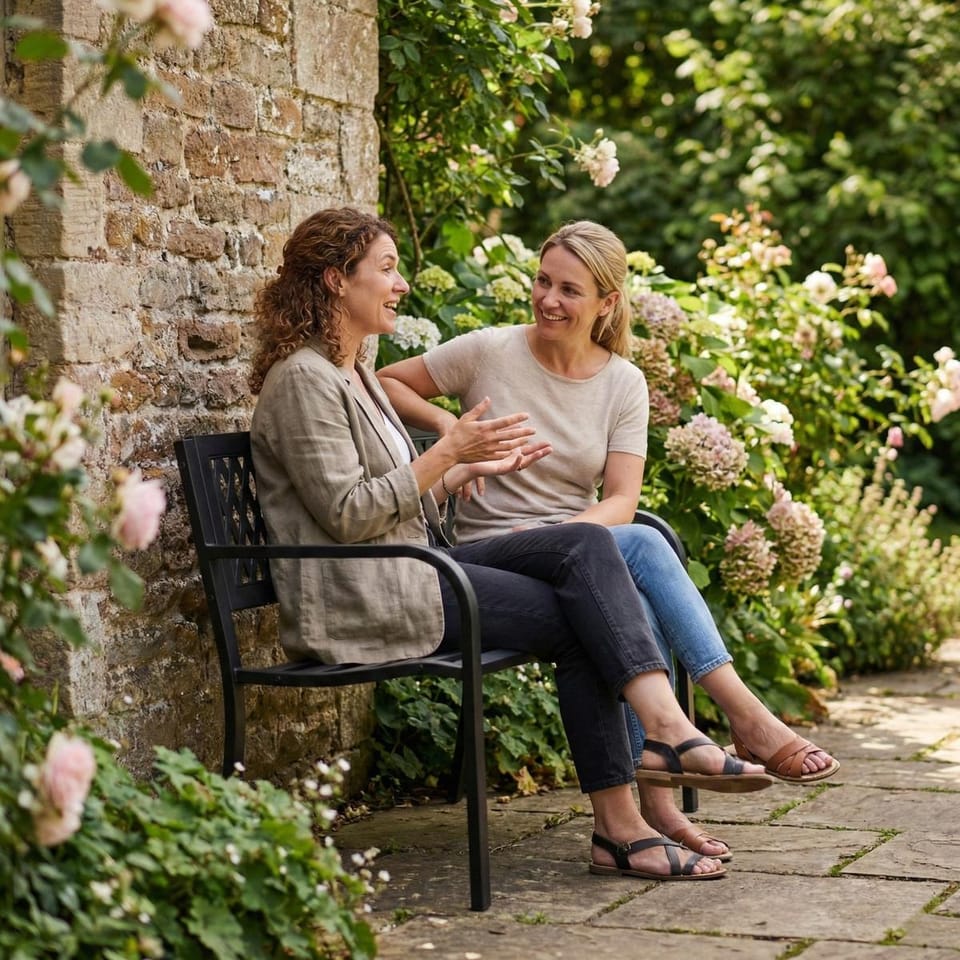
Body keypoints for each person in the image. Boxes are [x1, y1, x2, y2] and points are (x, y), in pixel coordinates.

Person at [248, 207, 778, 884]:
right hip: (367, 595)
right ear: (335, 281)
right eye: (386, 269)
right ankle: (643, 788)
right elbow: (349, 515)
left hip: (410, 570)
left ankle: (650, 774)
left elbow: (391, 501)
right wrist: (447, 453)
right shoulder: (305, 378)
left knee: (586, 549)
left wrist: (460, 471)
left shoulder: (353, 371)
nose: (401, 284)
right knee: (588, 605)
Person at [377, 219, 840, 863]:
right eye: (543, 281)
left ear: (606, 303)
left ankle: (651, 807)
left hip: (576, 552)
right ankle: (740, 721)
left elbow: (621, 499)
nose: (548, 299)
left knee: (628, 573)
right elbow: (387, 380)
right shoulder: (489, 350)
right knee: (640, 548)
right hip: (488, 559)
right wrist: (452, 430)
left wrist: (564, 532)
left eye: (569, 289)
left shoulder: (623, 382)